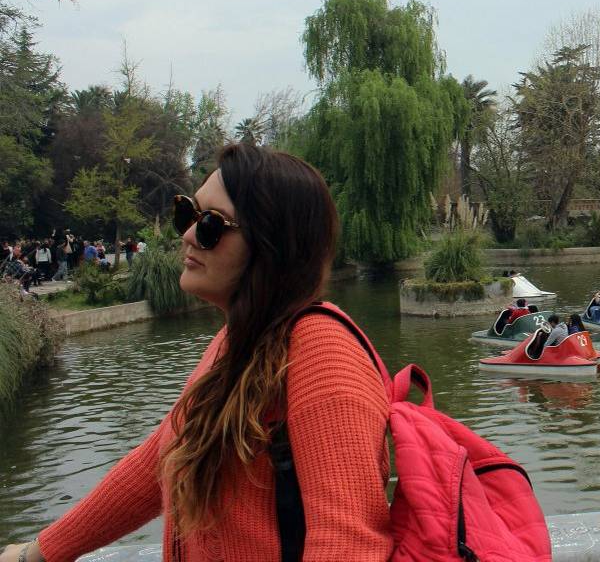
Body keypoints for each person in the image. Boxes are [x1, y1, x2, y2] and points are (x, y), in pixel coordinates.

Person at [0, 143, 393, 562]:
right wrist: (40, 552)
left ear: (271, 244)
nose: (187, 234)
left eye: (210, 224)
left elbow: (348, 544)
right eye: (187, 213)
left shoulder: (322, 354)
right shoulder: (234, 342)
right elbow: (159, 461)